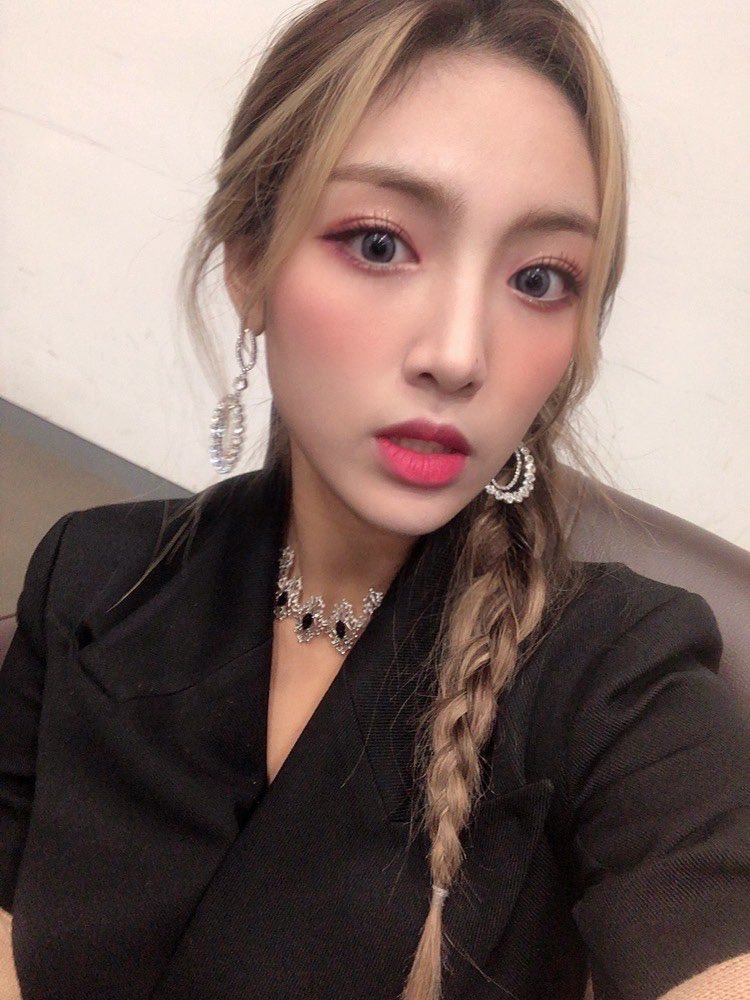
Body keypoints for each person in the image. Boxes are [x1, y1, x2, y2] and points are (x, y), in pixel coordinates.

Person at [1, 0, 749, 997]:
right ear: (249, 263)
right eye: (380, 244)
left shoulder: (618, 674)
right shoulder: (93, 579)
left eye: (539, 277)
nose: (459, 353)